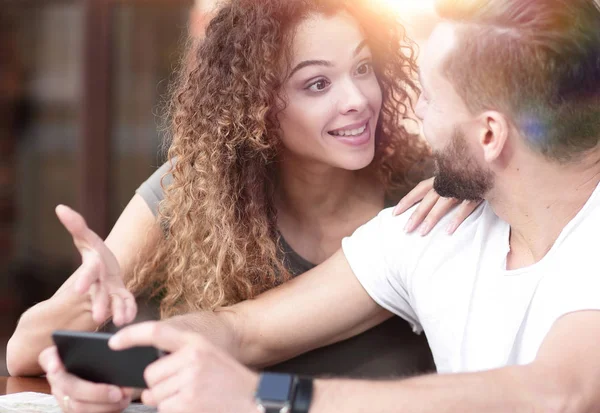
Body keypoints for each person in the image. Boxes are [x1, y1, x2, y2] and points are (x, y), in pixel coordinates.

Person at [39, 0, 600, 411]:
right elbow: (244, 329)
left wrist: (264, 395)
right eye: (316, 84)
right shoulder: (426, 226)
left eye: (428, 99)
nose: (400, 113)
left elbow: (557, 394)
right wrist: (119, 359)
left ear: (488, 137)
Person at [7, 0, 478, 385]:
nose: (357, 100)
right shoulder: (194, 188)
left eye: (362, 68)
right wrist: (85, 305)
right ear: (256, 106)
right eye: (317, 83)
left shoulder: (433, 187)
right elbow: (22, 353)